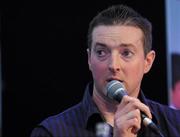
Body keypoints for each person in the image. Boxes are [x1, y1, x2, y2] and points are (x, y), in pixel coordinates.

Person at [30, 4, 180, 137]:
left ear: (147, 62)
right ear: (89, 59)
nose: (113, 65)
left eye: (126, 53)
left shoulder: (175, 124)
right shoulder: (51, 132)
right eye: (102, 52)